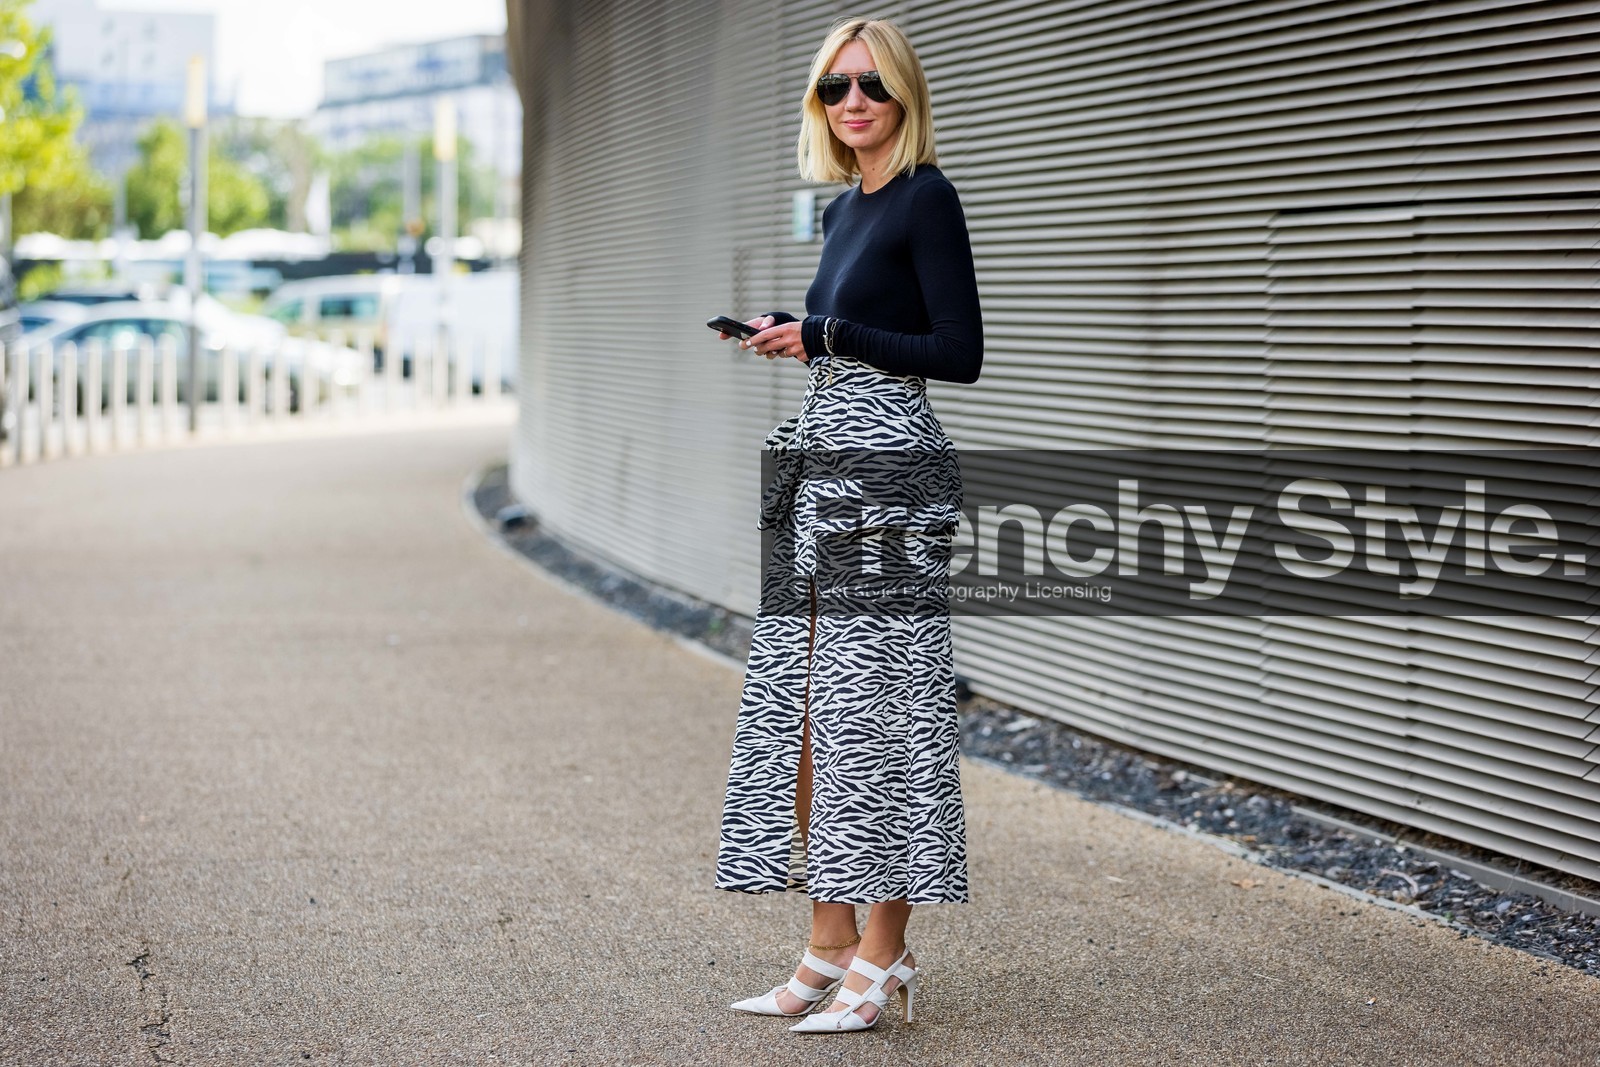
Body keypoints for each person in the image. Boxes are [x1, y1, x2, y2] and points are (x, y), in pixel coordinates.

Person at [712, 16, 983, 1035]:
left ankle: (885, 949)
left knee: (880, 709)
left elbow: (957, 351)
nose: (853, 101)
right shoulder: (842, 211)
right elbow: (858, 334)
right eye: (834, 87)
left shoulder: (927, 196)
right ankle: (827, 943)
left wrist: (826, 331)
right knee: (806, 709)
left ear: (903, 96)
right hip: (821, 461)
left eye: (870, 84)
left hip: (888, 470)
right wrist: (799, 338)